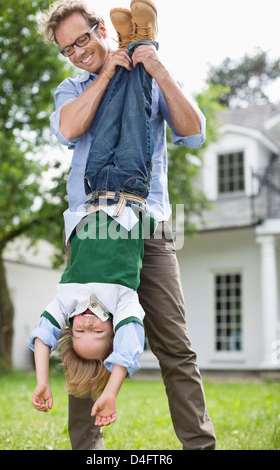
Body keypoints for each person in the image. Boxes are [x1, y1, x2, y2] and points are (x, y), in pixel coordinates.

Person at [38, 0, 216, 450]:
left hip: (148, 224)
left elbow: (194, 132)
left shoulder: (152, 76)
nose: (77, 52)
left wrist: (154, 67)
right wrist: (104, 75)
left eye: (82, 39)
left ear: (101, 28)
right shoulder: (71, 86)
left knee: (174, 345)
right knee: (83, 340)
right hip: (91, 230)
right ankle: (87, 450)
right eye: (67, 49)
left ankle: (199, 446)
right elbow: (69, 129)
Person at [29, 27, 158, 426]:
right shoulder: (124, 305)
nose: (85, 328)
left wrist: (42, 381)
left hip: (94, 184)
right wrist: (110, 392)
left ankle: (126, 44)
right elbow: (129, 349)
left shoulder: (66, 301)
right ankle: (145, 41)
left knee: (107, 112)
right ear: (112, 334)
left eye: (78, 335)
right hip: (131, 187)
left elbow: (40, 337)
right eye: (96, 336)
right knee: (135, 113)